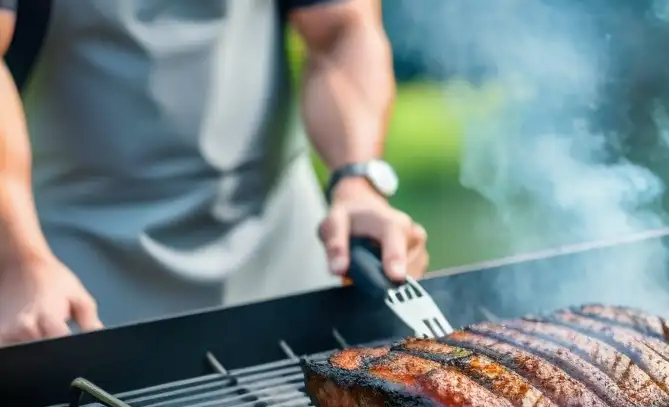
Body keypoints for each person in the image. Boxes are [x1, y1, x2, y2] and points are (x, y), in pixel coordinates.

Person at [0, 0, 428, 345]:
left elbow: (342, 30)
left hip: (282, 257)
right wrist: (17, 258)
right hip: (74, 276)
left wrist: (357, 181)